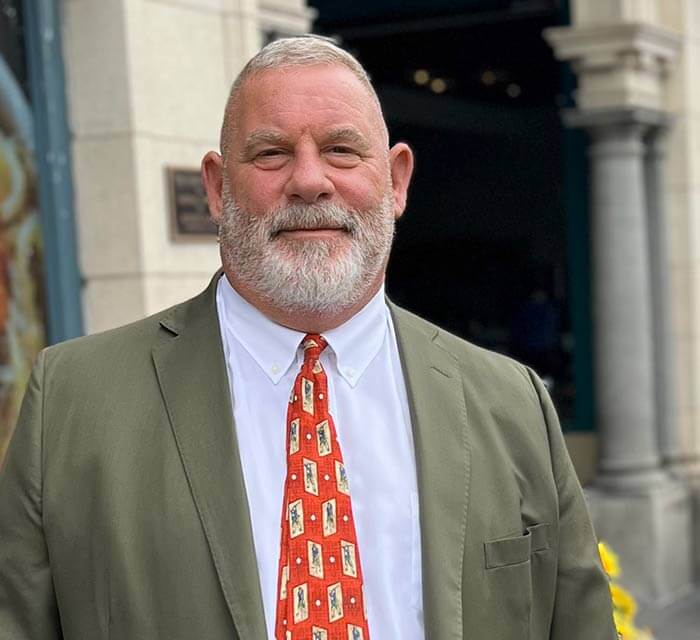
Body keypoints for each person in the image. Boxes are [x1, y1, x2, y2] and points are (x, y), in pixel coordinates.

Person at [0, 36, 616, 640]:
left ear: (396, 181)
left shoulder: (512, 402)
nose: (309, 180)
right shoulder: (72, 401)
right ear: (216, 189)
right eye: (270, 153)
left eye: (342, 150)